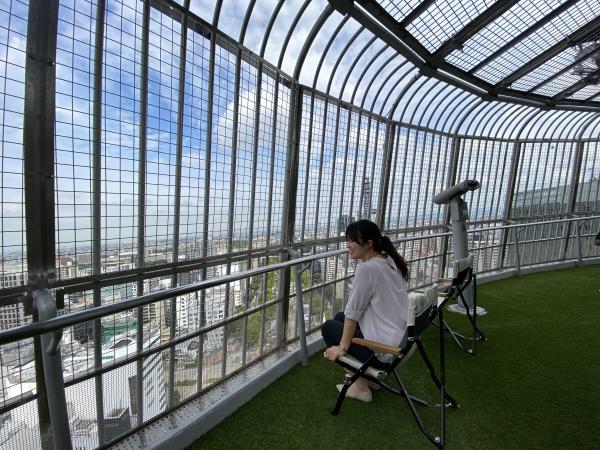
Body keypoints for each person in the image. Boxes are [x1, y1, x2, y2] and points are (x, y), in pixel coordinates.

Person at [321, 219, 409, 402]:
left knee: (329, 327)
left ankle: (361, 388)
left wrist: (342, 348)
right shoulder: (389, 260)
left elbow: (353, 313)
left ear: (368, 243)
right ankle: (370, 381)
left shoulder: (367, 269)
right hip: (399, 342)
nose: (348, 245)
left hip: (384, 352)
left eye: (352, 240)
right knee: (339, 317)